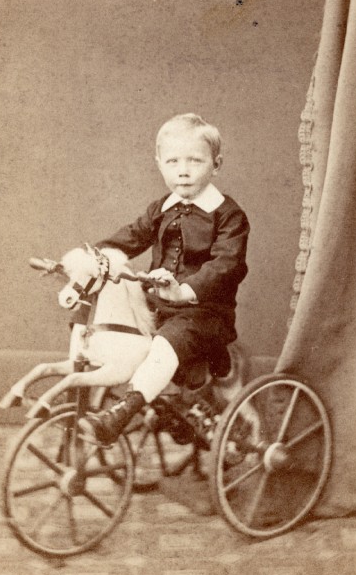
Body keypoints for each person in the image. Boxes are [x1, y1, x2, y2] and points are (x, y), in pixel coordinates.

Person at [77, 113, 250, 445]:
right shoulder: (160, 209)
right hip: (158, 307)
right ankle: (164, 407)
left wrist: (185, 291)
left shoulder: (228, 216)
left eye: (195, 161)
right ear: (159, 165)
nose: (183, 170)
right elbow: (130, 237)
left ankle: (121, 414)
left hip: (204, 315)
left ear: (216, 164)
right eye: (173, 161)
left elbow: (226, 264)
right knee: (121, 327)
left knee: (167, 341)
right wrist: (91, 257)